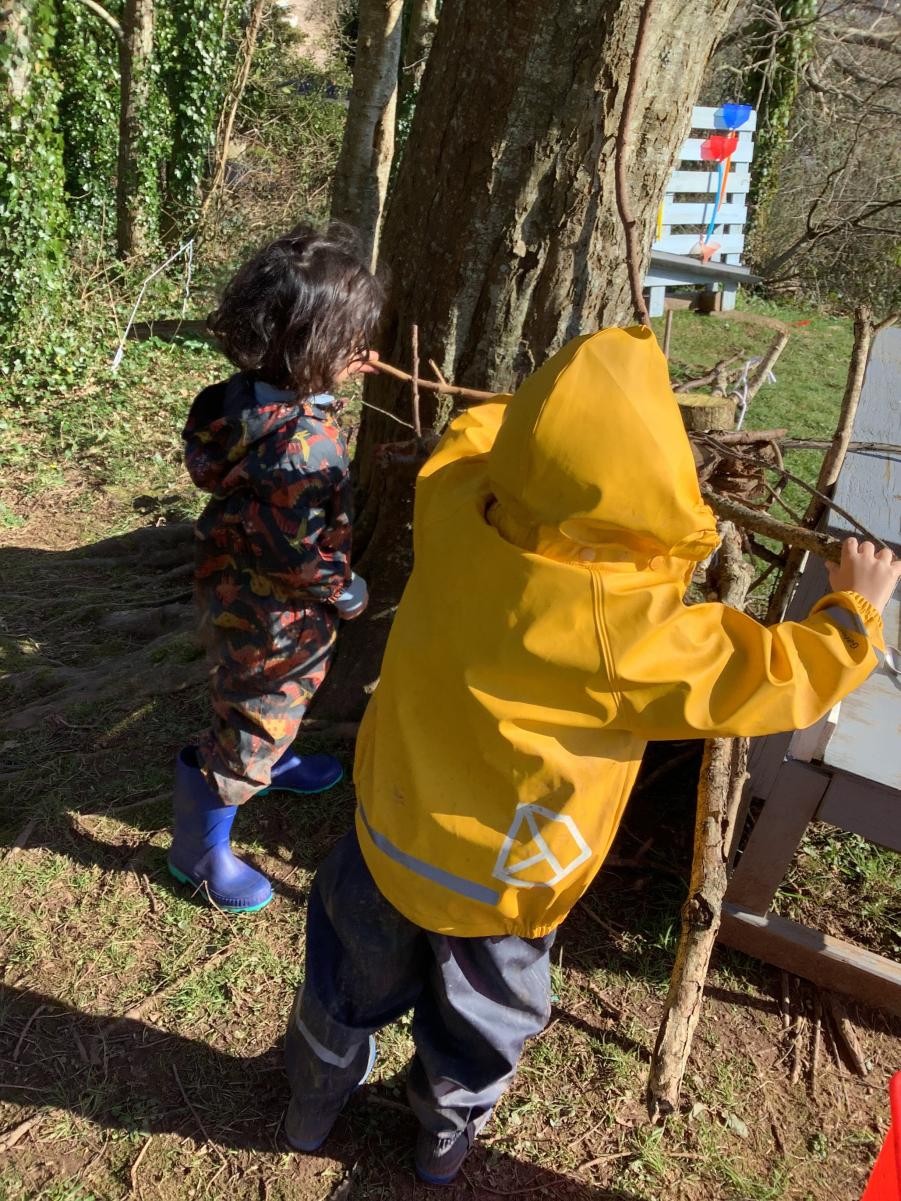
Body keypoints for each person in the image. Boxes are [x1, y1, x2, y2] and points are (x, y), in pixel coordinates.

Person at [282, 326, 899, 1183]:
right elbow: (773, 678)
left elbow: (468, 437)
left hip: (388, 835)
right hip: (508, 881)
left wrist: (534, 417)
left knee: (342, 983)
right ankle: (440, 1143)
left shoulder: (452, 508)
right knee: (483, 1022)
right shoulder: (637, 631)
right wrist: (852, 616)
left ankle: (310, 1104)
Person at [167, 224, 384, 914]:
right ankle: (198, 848)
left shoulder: (244, 402)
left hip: (231, 585)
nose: (363, 351)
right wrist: (344, 588)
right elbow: (295, 551)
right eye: (352, 340)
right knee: (255, 717)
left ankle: (273, 758)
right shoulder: (302, 446)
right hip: (276, 613)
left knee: (262, 697)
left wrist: (327, 385)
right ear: (313, 347)